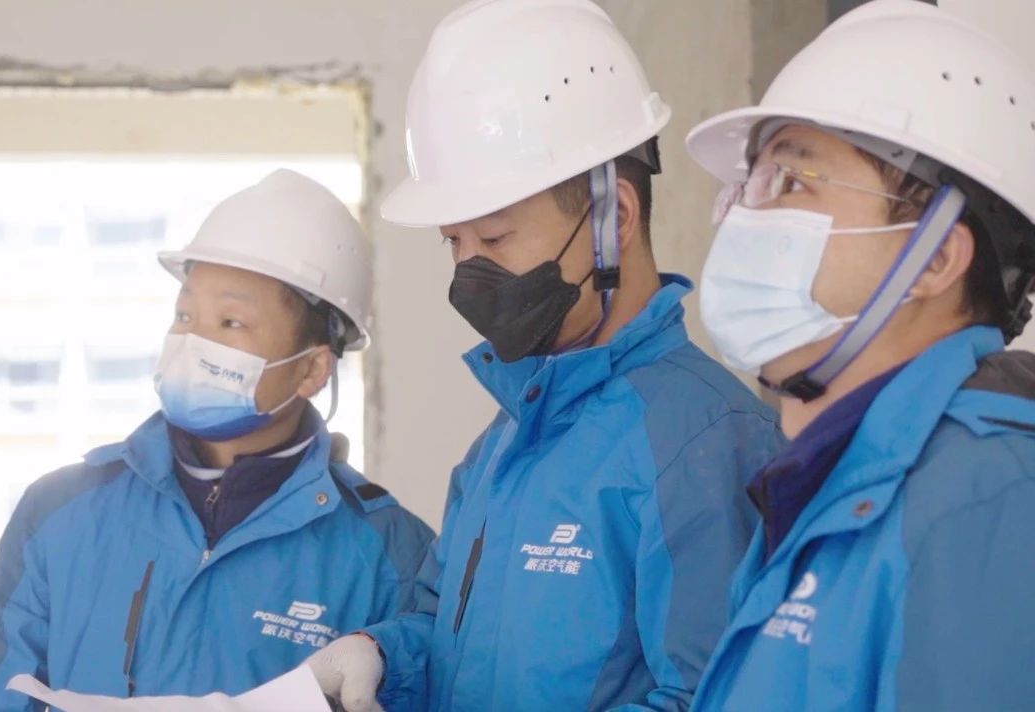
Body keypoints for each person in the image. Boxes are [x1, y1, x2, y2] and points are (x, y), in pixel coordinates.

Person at [308, 1, 783, 709]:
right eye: (454, 242)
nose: (469, 274)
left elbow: (713, 697)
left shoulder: (705, 444)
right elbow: (449, 637)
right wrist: (382, 655)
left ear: (615, 219)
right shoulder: (501, 444)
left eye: (495, 239)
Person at [0, 170, 433, 710]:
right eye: (185, 315)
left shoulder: (389, 552)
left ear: (311, 369)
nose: (193, 341)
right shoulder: (62, 511)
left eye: (231, 322)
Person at [681, 1, 1035, 708]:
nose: (744, 218)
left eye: (792, 182)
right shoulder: (836, 482)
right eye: (748, 186)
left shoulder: (985, 506)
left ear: (934, 258)